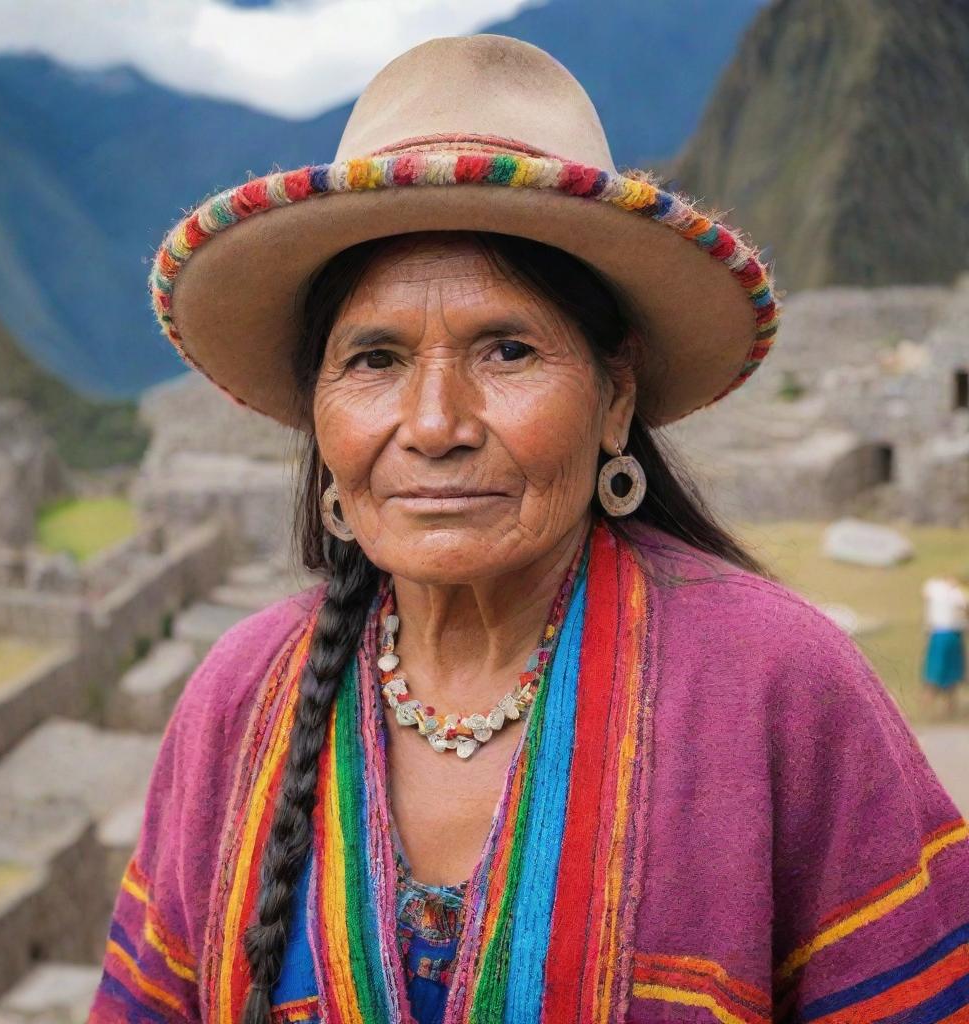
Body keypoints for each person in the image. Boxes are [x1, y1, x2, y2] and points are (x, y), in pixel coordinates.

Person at [88, 34, 969, 1024]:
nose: (433, 425)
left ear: (613, 395)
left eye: (506, 350)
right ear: (319, 408)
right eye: (373, 359)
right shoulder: (240, 701)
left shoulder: (779, 690)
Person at [922, 574, 968, 719]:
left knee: (941, 672)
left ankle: (942, 708)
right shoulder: (954, 593)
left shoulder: (941, 590)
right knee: (939, 671)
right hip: (947, 634)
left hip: (944, 633)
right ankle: (931, 708)